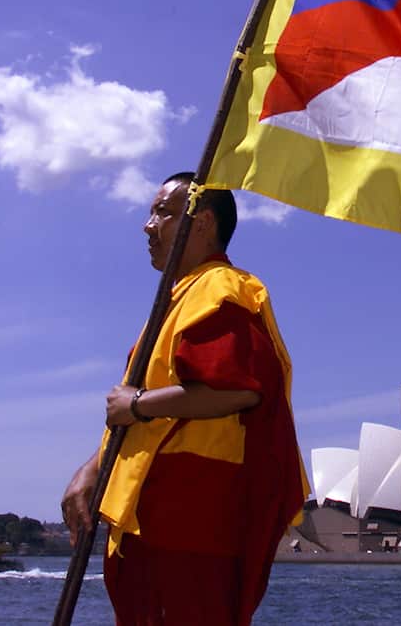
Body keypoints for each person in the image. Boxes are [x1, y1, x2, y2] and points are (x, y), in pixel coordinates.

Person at [61, 172, 308, 625]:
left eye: (163, 212)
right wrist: (93, 468)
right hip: (156, 518)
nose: (148, 225)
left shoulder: (220, 287)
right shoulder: (183, 295)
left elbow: (236, 388)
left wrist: (136, 404)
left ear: (202, 222)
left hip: (186, 519)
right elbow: (147, 412)